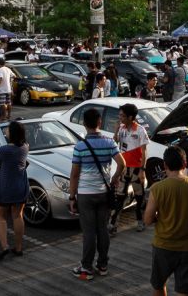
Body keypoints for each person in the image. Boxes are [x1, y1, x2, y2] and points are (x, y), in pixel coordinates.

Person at [144, 146, 188, 296]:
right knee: (183, 289)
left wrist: (160, 217)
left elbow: (147, 220)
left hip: (164, 245)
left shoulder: (158, 188)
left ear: (165, 165)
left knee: (159, 284)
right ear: (185, 164)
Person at [69, 108, 126, 280]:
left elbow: (74, 175)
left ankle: (86, 267)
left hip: (86, 194)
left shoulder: (80, 147)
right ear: (100, 122)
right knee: (102, 230)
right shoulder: (109, 142)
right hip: (104, 192)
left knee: (89, 232)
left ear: (85, 124)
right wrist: (114, 178)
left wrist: (72, 197)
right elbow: (122, 163)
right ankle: (102, 265)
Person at [110, 103, 149, 234]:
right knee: (120, 197)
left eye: (122, 115)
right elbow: (115, 143)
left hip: (137, 169)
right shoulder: (121, 128)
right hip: (124, 168)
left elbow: (144, 152)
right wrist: (115, 131)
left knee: (139, 197)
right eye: (119, 115)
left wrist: (143, 170)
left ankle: (140, 221)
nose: (119, 118)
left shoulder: (140, 130)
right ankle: (113, 225)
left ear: (130, 117)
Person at [0, 121, 28, 262]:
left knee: (0, 216)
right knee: (18, 216)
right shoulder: (25, 147)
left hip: (6, 186)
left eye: (8, 130)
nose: (6, 131)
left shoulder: (4, 150)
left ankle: (4, 247)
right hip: (20, 186)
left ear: (12, 134)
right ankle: (18, 248)